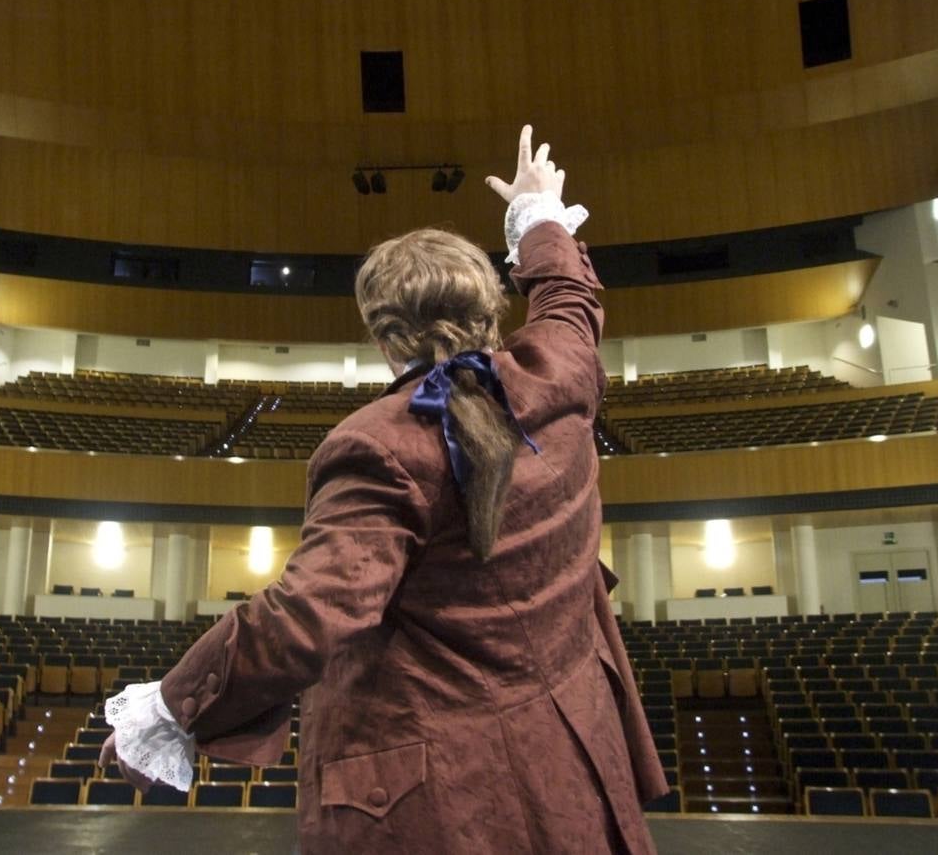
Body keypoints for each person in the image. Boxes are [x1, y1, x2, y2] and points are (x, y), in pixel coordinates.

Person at [100, 125, 667, 853]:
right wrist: (538, 216)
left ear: (383, 338)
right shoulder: (564, 372)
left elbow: (308, 614)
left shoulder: (377, 443)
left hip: (442, 803)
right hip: (572, 760)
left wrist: (169, 710)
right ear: (489, 309)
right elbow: (568, 298)